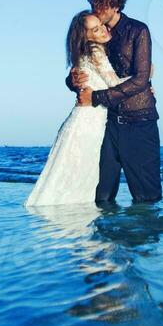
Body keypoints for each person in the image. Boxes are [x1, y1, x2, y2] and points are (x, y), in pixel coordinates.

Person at [67, 0, 162, 206]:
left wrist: (96, 97)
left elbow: (140, 79)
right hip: (107, 125)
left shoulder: (138, 31)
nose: (95, 9)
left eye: (100, 5)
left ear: (116, 5)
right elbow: (83, 67)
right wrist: (72, 81)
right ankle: (106, 241)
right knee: (100, 198)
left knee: (146, 200)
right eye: (93, 4)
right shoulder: (93, 33)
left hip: (139, 122)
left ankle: (143, 242)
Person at [24, 11, 130, 207]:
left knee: (66, 178)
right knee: (80, 180)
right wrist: (144, 77)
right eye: (95, 29)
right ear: (85, 37)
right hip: (88, 124)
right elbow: (114, 84)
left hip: (82, 121)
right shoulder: (96, 51)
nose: (103, 30)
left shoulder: (82, 54)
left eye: (101, 25)